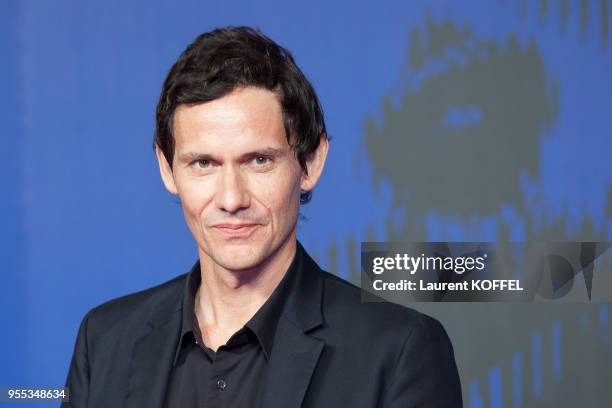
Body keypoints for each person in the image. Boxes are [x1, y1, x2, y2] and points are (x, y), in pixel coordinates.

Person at [63, 26, 462, 408]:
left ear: (310, 162)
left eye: (259, 160)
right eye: (204, 163)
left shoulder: (398, 351)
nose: (231, 198)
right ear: (167, 170)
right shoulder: (104, 340)